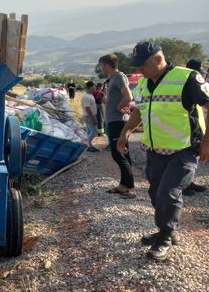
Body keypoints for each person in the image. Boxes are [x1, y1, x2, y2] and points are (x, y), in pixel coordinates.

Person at [117, 42, 209, 261]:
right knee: (155, 193)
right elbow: (139, 111)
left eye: (143, 65)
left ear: (158, 60)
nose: (140, 70)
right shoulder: (143, 83)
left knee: (168, 192)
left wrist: (206, 142)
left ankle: (166, 238)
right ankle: (166, 231)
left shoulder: (187, 78)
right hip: (155, 149)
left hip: (184, 149)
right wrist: (125, 133)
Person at [98, 53, 135, 199]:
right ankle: (123, 185)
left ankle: (130, 188)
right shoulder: (112, 79)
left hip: (118, 122)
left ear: (106, 65)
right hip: (114, 121)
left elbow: (128, 96)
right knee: (123, 152)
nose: (101, 68)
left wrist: (120, 107)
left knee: (117, 153)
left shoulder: (119, 77)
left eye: (101, 65)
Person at [182, 59, 209, 196]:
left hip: (199, 127)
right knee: (188, 160)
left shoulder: (200, 86)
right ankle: (184, 185)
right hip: (189, 130)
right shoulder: (189, 83)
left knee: (194, 160)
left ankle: (188, 182)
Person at [81, 81, 99, 152]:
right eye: (94, 86)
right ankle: (87, 146)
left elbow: (91, 105)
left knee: (89, 131)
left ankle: (89, 145)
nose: (95, 87)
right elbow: (87, 108)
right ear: (91, 87)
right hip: (89, 116)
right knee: (94, 131)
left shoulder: (90, 95)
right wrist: (93, 118)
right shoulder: (86, 96)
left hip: (90, 115)